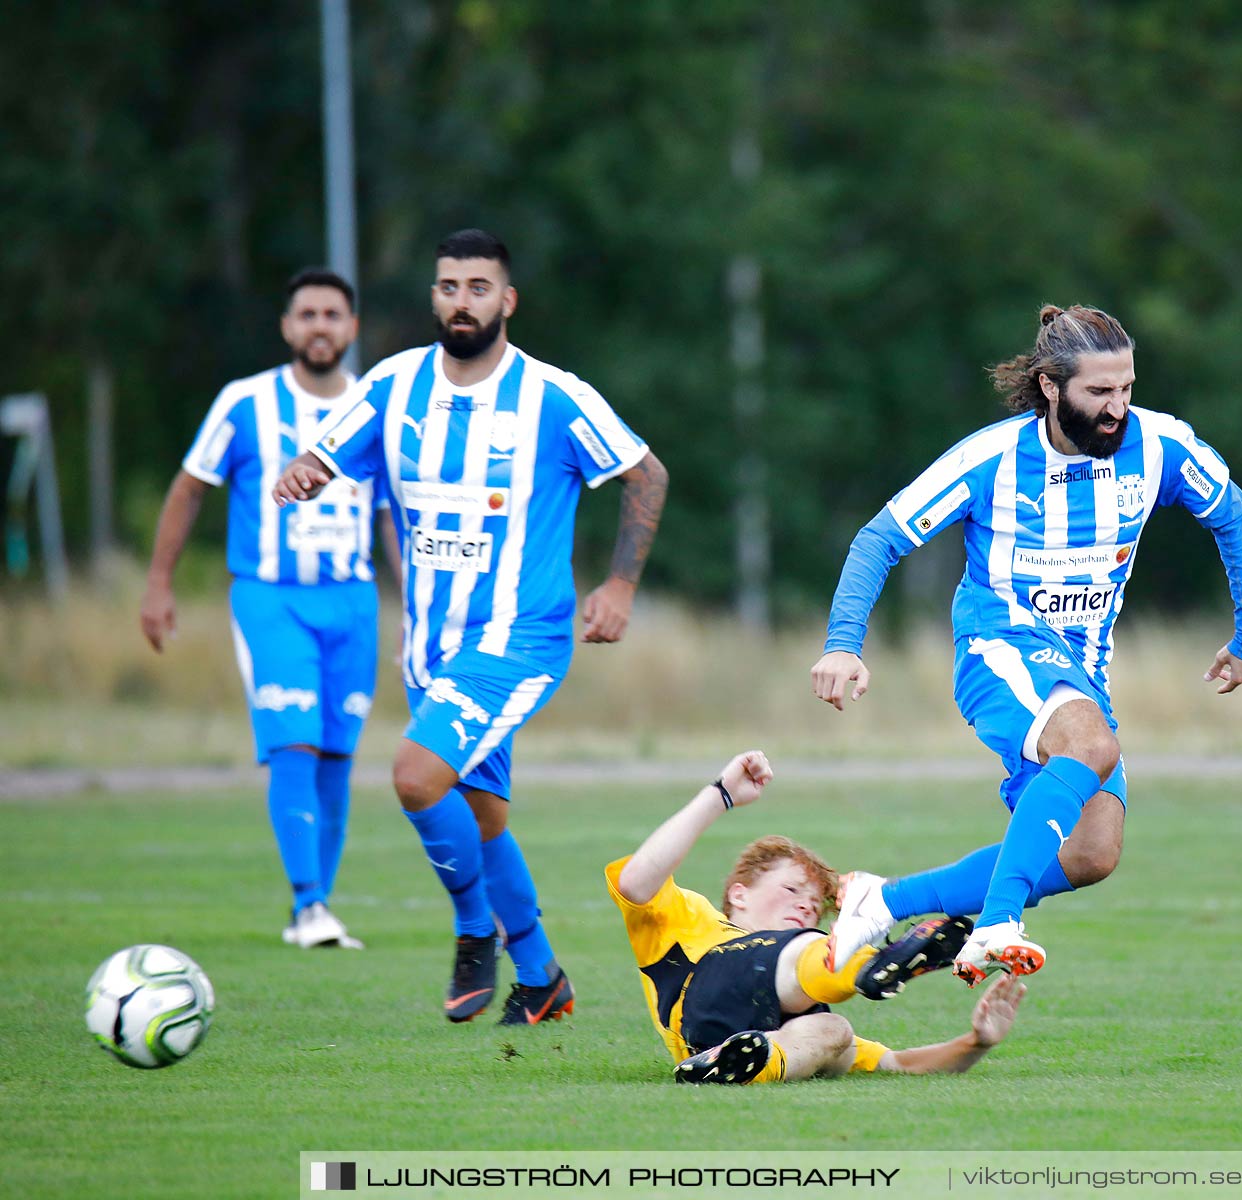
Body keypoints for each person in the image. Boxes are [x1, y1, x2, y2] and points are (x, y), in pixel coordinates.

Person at [272, 229, 670, 1026]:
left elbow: (645, 472)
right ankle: (541, 976)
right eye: (449, 286)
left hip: (521, 635)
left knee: (417, 777)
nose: (462, 301)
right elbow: (328, 455)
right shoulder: (393, 384)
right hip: (434, 644)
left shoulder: (555, 397)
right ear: (434, 297)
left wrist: (620, 584)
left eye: (479, 288)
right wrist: (307, 473)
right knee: (481, 818)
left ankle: (470, 931)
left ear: (507, 300)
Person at [811, 304, 1242, 984]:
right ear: (1051, 387)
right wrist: (843, 643)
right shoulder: (991, 459)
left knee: (1091, 855)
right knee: (1090, 746)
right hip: (997, 649)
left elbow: (1230, 511)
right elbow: (881, 537)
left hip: (1082, 671)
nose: (1118, 408)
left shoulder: (1160, 446)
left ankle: (881, 901)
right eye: (1099, 393)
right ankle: (996, 925)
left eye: (1127, 388)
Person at [141, 268, 399, 951]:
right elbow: (190, 488)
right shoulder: (245, 402)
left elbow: (391, 518)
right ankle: (311, 906)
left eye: (333, 315)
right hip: (270, 596)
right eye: (307, 314)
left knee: (338, 755)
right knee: (294, 741)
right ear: (287, 327)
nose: (320, 326)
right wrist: (159, 584)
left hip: (353, 601)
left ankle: (311, 910)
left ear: (351, 328)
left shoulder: (375, 407)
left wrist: (419, 609)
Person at [607, 750, 1027, 1084]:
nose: (805, 907)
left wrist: (977, 1042)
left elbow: (897, 1065)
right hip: (704, 991)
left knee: (835, 1032)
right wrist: (721, 795)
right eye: (791, 890)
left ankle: (749, 1064)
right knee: (802, 954)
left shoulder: (808, 989)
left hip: (720, 1045)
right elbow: (635, 882)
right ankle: (874, 963)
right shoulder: (694, 920)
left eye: (813, 905)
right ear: (739, 894)